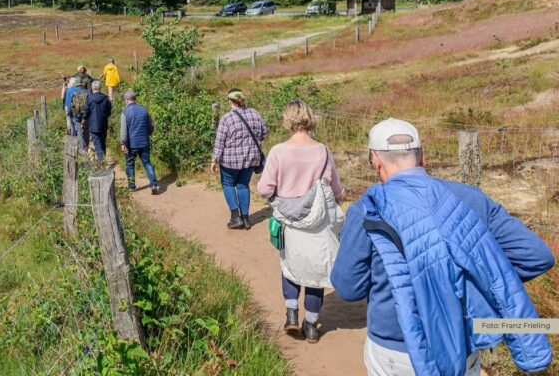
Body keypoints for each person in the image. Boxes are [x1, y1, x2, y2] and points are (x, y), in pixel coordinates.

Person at [332, 118, 554, 376]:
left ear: (375, 161)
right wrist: (475, 280)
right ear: (422, 157)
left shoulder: (367, 210)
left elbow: (348, 287)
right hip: (461, 345)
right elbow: (537, 256)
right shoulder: (470, 198)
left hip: (394, 348)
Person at [257, 100, 344, 344]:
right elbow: (336, 188)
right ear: (309, 118)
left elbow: (265, 188)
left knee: (290, 265)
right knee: (315, 271)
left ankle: (292, 313)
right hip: (317, 222)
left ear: (287, 120)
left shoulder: (278, 151)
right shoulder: (323, 151)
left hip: (289, 221)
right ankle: (312, 325)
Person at [210, 89, 268, 230]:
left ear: (230, 101)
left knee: (228, 184)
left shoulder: (226, 118)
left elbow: (220, 141)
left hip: (230, 161)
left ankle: (236, 217)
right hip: (251, 159)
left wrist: (214, 160)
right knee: (243, 185)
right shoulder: (255, 114)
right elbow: (264, 134)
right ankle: (246, 219)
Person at [120, 91, 159, 194]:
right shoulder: (144, 110)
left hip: (131, 144)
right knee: (147, 163)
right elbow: (151, 126)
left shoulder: (125, 113)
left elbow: (123, 132)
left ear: (127, 100)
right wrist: (148, 134)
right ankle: (154, 184)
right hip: (144, 142)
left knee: (130, 164)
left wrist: (123, 143)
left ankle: (132, 187)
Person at [84, 81, 112, 160]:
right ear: (100, 88)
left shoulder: (89, 99)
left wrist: (84, 120)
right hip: (103, 123)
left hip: (93, 125)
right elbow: (109, 111)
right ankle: (103, 157)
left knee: (97, 143)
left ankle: (101, 161)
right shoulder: (106, 98)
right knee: (103, 142)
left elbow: (86, 111)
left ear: (92, 88)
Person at [63, 78, 88, 150]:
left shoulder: (70, 90)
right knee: (85, 130)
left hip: (76, 114)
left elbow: (68, 104)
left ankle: (81, 149)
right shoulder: (86, 90)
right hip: (86, 114)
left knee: (78, 131)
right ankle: (86, 146)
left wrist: (70, 115)